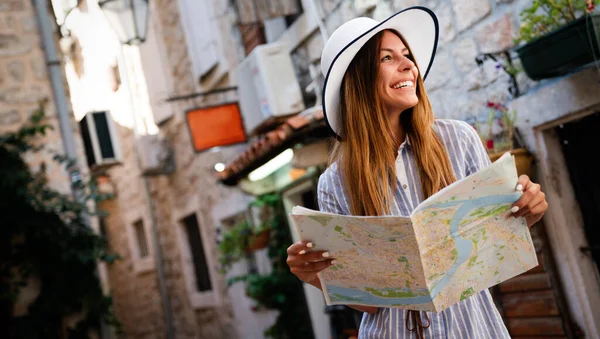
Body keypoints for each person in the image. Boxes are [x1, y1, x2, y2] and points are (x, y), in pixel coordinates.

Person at [286, 6, 548, 339]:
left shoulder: (459, 139)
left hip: (473, 330)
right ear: (359, 80)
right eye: (387, 58)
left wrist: (526, 211)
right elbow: (369, 303)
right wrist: (316, 276)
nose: (409, 65)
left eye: (407, 55)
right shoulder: (334, 182)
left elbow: (492, 252)